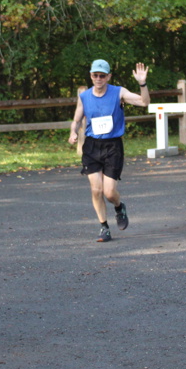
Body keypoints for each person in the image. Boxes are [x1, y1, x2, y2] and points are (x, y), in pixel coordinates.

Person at [68, 59, 150, 242]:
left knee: (109, 192)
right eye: (95, 75)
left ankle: (119, 207)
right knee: (96, 189)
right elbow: (77, 120)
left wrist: (142, 83)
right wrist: (73, 132)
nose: (98, 78)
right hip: (92, 146)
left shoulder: (118, 92)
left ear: (108, 77)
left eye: (102, 75)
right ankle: (104, 227)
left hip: (113, 146)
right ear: (91, 76)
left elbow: (144, 102)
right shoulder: (84, 96)